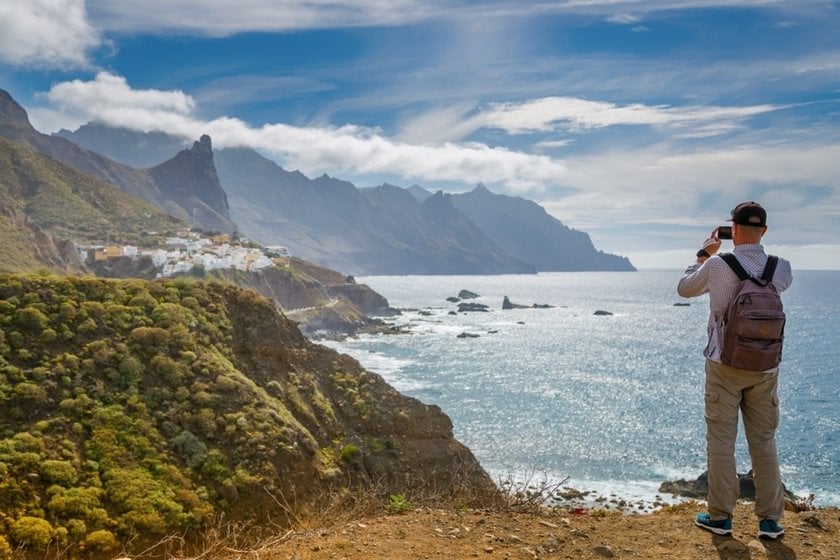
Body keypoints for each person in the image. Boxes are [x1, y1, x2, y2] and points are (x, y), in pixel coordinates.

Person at [677, 201, 793, 540]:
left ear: (733, 230)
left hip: (723, 365)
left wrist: (704, 253)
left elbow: (684, 289)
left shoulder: (717, 264)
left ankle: (720, 517)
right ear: (765, 231)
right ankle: (770, 520)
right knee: (764, 442)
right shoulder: (781, 268)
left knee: (721, 443)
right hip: (765, 368)